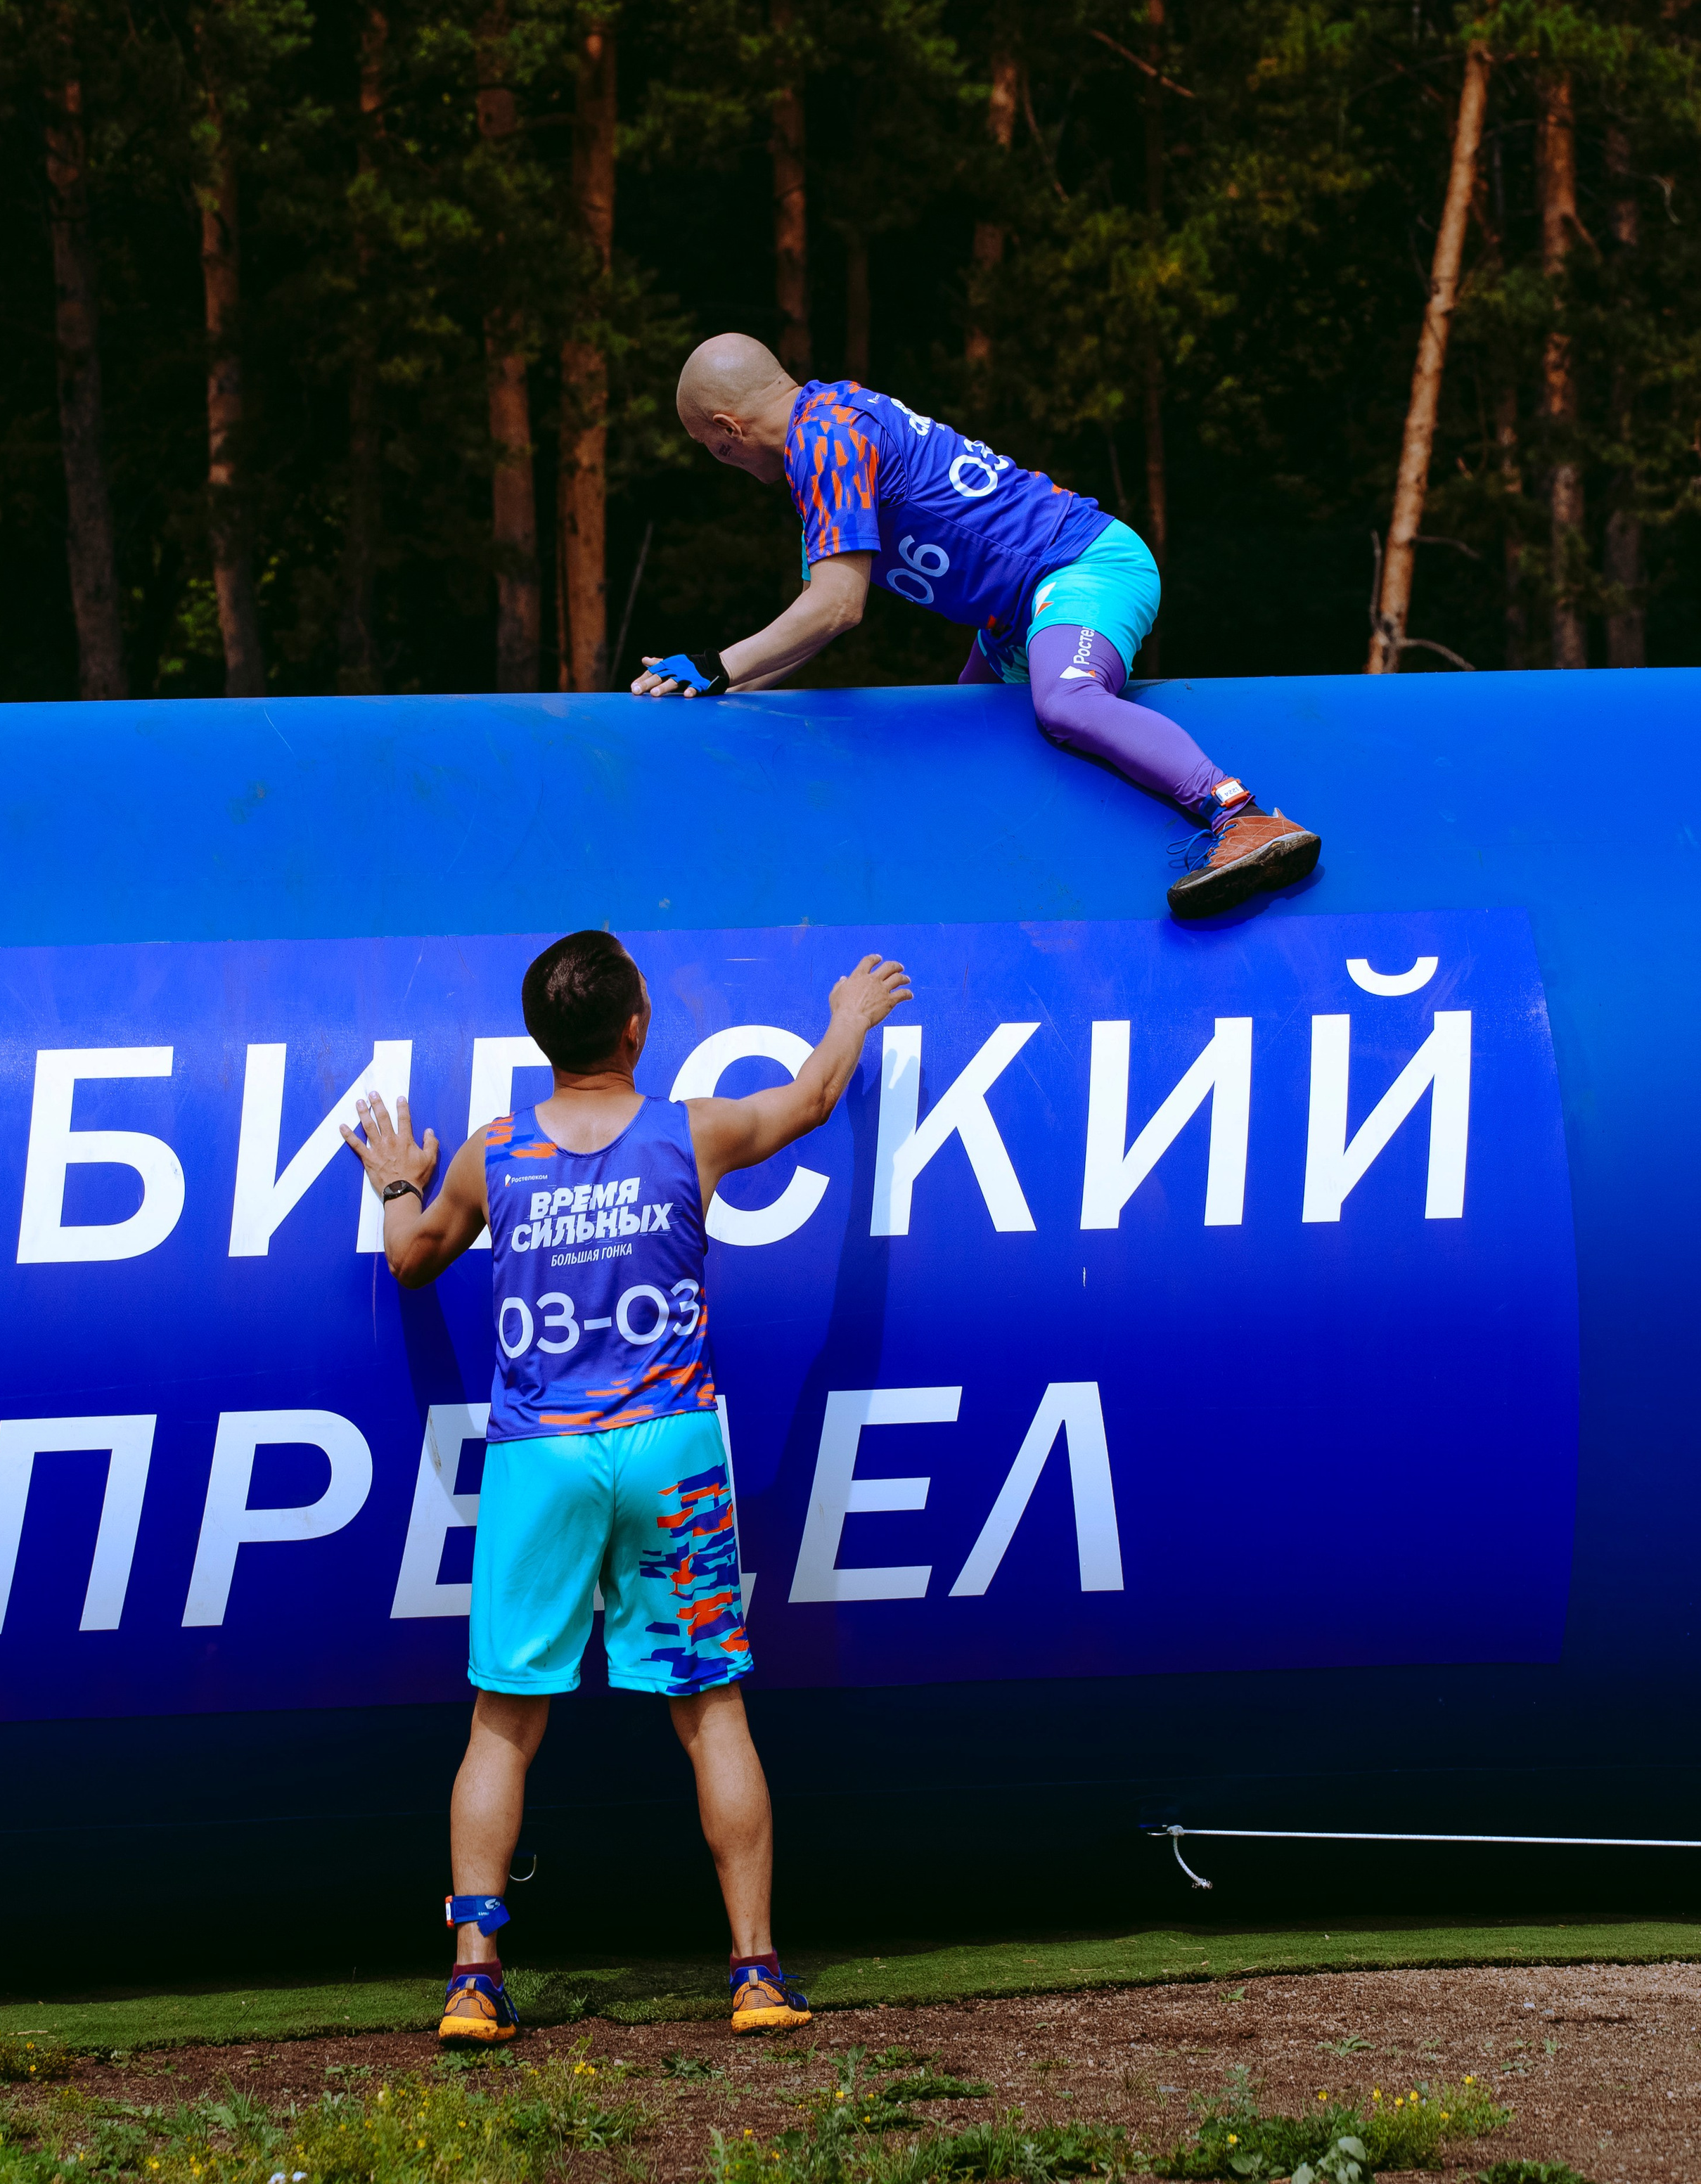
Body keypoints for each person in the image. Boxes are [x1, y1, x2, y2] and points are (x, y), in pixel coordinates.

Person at [340, 929, 912, 2044]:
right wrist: (850, 1013)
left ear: (540, 1036)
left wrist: (399, 1175)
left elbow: (411, 1258)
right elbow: (811, 1098)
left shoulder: (493, 1155)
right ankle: (754, 1972)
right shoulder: (691, 1134)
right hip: (668, 1449)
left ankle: (473, 1976)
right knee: (710, 1711)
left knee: (503, 1724)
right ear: (637, 1025)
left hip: (538, 1457)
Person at [631, 334, 1321, 920]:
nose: (724, 464)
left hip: (1085, 565)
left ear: (727, 429)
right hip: (1013, 618)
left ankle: (1241, 813)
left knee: (1067, 702)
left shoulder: (826, 444)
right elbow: (813, 623)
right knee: (970, 731)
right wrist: (707, 686)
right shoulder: (827, 420)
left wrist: (717, 662)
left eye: (711, 449)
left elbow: (838, 605)